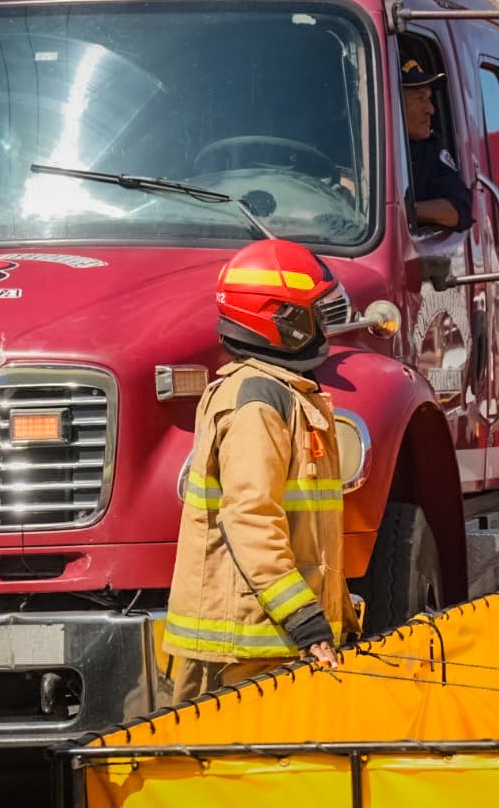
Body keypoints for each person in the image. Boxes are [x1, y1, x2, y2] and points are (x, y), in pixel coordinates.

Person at [163, 239, 360, 702]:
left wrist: (338, 617)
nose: (323, 326)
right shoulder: (258, 402)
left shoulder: (280, 392)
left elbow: (306, 531)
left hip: (270, 646)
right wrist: (303, 619)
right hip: (244, 654)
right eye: (313, 312)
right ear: (283, 322)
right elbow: (251, 518)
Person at [401, 59, 473, 230]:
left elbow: (459, 210)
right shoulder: (350, 148)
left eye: (429, 98)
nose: (431, 109)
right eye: (420, 98)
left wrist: (405, 211)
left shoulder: (429, 148)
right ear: (393, 103)